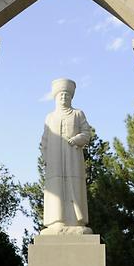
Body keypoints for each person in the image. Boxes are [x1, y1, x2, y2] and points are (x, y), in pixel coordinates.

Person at [40, 78, 94, 235]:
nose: (64, 98)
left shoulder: (78, 114)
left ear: (71, 98)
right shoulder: (50, 117)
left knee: (74, 187)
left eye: (66, 96)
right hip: (55, 159)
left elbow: (86, 133)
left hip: (73, 156)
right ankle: (57, 221)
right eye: (61, 96)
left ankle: (77, 221)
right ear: (56, 98)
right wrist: (46, 158)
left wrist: (77, 139)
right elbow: (44, 140)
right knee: (56, 189)